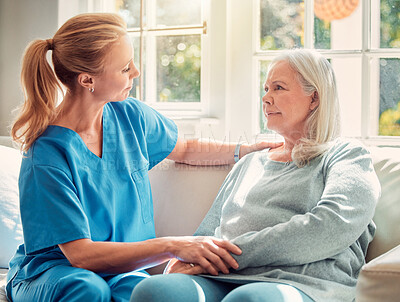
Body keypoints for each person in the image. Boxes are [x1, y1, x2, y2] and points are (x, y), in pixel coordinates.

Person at [5, 13, 278, 302]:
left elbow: (184, 148)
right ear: (88, 80)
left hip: (122, 270)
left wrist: (244, 150)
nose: (135, 72)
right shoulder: (47, 153)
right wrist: (174, 245)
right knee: (87, 289)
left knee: (140, 291)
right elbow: (81, 255)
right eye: (125, 68)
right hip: (53, 272)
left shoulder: (130, 115)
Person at [130, 49, 381, 302]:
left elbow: (330, 227)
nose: (266, 98)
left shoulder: (347, 155)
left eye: (279, 88)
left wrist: (231, 255)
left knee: (249, 299)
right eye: (266, 88)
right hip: (222, 277)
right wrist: (187, 259)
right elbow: (209, 231)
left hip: (302, 281)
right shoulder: (250, 162)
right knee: (153, 290)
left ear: (314, 98)